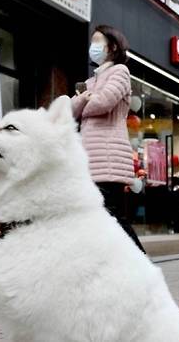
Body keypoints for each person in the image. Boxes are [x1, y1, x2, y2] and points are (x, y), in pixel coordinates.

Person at [71, 25, 145, 253]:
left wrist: (83, 100)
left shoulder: (120, 72)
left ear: (112, 46)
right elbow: (71, 111)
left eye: (98, 41)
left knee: (112, 215)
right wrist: (85, 99)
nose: (93, 46)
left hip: (109, 156)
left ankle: (140, 262)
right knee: (97, 217)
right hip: (89, 159)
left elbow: (102, 103)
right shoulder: (90, 81)